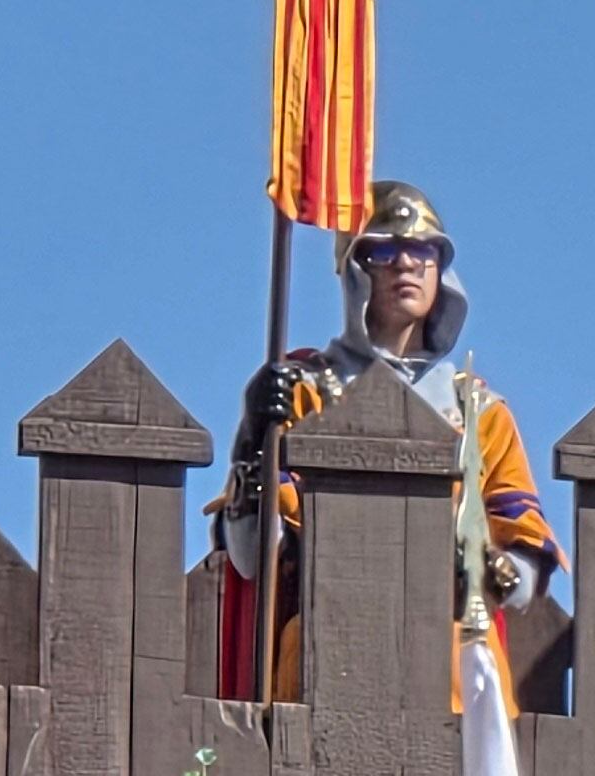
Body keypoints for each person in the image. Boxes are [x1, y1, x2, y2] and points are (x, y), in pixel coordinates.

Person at [212, 179, 557, 700]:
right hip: (325, 653)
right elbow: (253, 555)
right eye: (384, 249)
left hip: (451, 663)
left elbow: (524, 559)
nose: (405, 263)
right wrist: (252, 439)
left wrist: (494, 569)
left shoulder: (478, 412)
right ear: (355, 268)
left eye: (423, 250)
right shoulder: (307, 393)